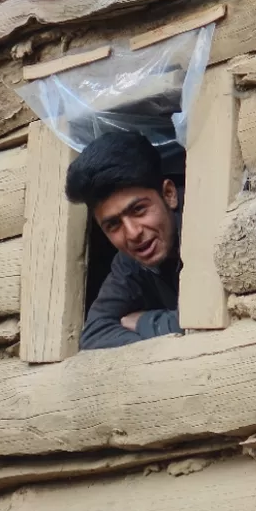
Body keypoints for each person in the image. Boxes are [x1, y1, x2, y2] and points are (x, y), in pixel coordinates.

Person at [64, 130, 183, 350]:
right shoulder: (129, 262)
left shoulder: (205, 225)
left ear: (169, 194)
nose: (132, 233)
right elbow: (94, 334)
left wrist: (144, 321)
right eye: (113, 225)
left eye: (138, 210)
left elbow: (215, 313)